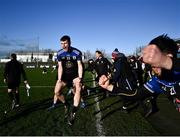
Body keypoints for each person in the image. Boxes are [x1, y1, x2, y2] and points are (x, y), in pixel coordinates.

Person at [99, 34, 180, 117]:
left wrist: (167, 62)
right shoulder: (157, 81)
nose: (153, 68)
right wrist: (108, 86)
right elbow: (135, 94)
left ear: (169, 57)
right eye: (151, 64)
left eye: (155, 63)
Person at [49, 35, 83, 125]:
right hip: (64, 77)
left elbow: (80, 65)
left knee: (78, 89)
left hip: (75, 76)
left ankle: (73, 113)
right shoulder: (59, 53)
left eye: (65, 43)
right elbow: (60, 66)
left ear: (70, 43)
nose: (63, 45)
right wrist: (59, 79)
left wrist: (80, 78)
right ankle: (66, 104)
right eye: (61, 44)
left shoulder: (77, 52)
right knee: (56, 92)